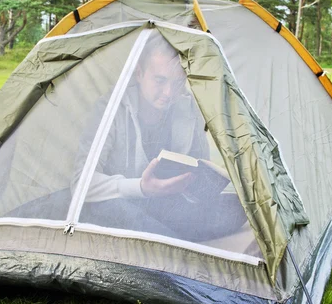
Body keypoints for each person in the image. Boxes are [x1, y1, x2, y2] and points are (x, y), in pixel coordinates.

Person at [73, 34, 247, 244]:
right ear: (139, 73)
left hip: (167, 202)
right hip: (123, 201)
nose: (168, 93)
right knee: (133, 219)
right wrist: (141, 188)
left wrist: (199, 187)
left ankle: (165, 236)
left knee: (239, 208)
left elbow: (199, 165)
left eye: (177, 83)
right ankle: (168, 240)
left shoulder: (187, 107)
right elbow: (81, 183)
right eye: (160, 80)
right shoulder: (111, 110)